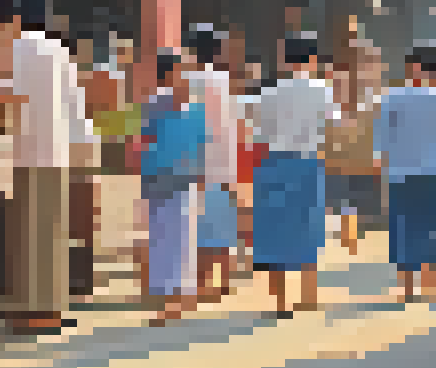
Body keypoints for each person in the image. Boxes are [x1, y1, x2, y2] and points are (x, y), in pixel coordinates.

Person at [0, 0, 93, 333]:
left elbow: (16, 92)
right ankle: (52, 308)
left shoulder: (23, 46)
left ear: (18, 18)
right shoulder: (60, 50)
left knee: (28, 235)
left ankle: (32, 312)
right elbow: (74, 103)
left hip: (29, 151)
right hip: (58, 152)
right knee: (52, 233)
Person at [256, 34, 336, 316]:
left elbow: (260, 133)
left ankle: (280, 303)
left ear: (285, 60)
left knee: (274, 230)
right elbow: (333, 127)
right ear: (312, 59)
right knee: (308, 228)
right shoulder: (323, 90)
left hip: (275, 163)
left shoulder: (269, 93)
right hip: (309, 163)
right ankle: (308, 296)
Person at [379, 50, 436, 305]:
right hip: (428, 173)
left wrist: (384, 172)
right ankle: (429, 288)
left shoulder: (391, 97)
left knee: (402, 231)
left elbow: (383, 141)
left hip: (399, 174)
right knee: (427, 229)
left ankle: (407, 290)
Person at [141, 51, 206, 325]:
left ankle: (178, 301)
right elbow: (146, 141)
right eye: (181, 70)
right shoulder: (157, 104)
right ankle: (167, 304)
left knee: (180, 239)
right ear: (169, 74)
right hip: (162, 178)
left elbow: (200, 145)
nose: (187, 75)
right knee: (166, 239)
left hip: (180, 179)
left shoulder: (193, 107)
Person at [188, 27, 244, 301]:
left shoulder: (190, 81)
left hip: (197, 163)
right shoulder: (224, 81)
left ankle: (201, 283)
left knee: (199, 228)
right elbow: (233, 123)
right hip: (224, 162)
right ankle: (225, 281)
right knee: (223, 226)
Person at [324, 50, 384, 257]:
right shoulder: (336, 108)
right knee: (347, 202)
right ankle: (349, 237)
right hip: (346, 161)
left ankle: (351, 237)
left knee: (352, 201)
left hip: (355, 161)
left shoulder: (366, 105)